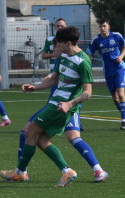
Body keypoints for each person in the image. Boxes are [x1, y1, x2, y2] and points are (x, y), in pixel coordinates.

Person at [6, 31, 109, 183]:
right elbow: (54, 80)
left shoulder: (83, 62)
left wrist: (70, 103)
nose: (57, 46)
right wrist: (35, 87)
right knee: (41, 141)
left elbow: (88, 92)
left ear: (67, 43)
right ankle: (67, 171)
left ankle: (20, 172)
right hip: (55, 103)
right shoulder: (63, 57)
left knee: (28, 132)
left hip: (60, 107)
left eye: (59, 43)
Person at [88, 19, 125, 129]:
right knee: (115, 98)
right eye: (100, 26)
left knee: (121, 94)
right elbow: (89, 54)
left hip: (119, 68)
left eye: (104, 26)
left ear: (109, 26)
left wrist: (121, 57)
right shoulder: (96, 40)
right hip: (107, 71)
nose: (102, 28)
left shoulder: (116, 36)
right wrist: (88, 65)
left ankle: (123, 121)